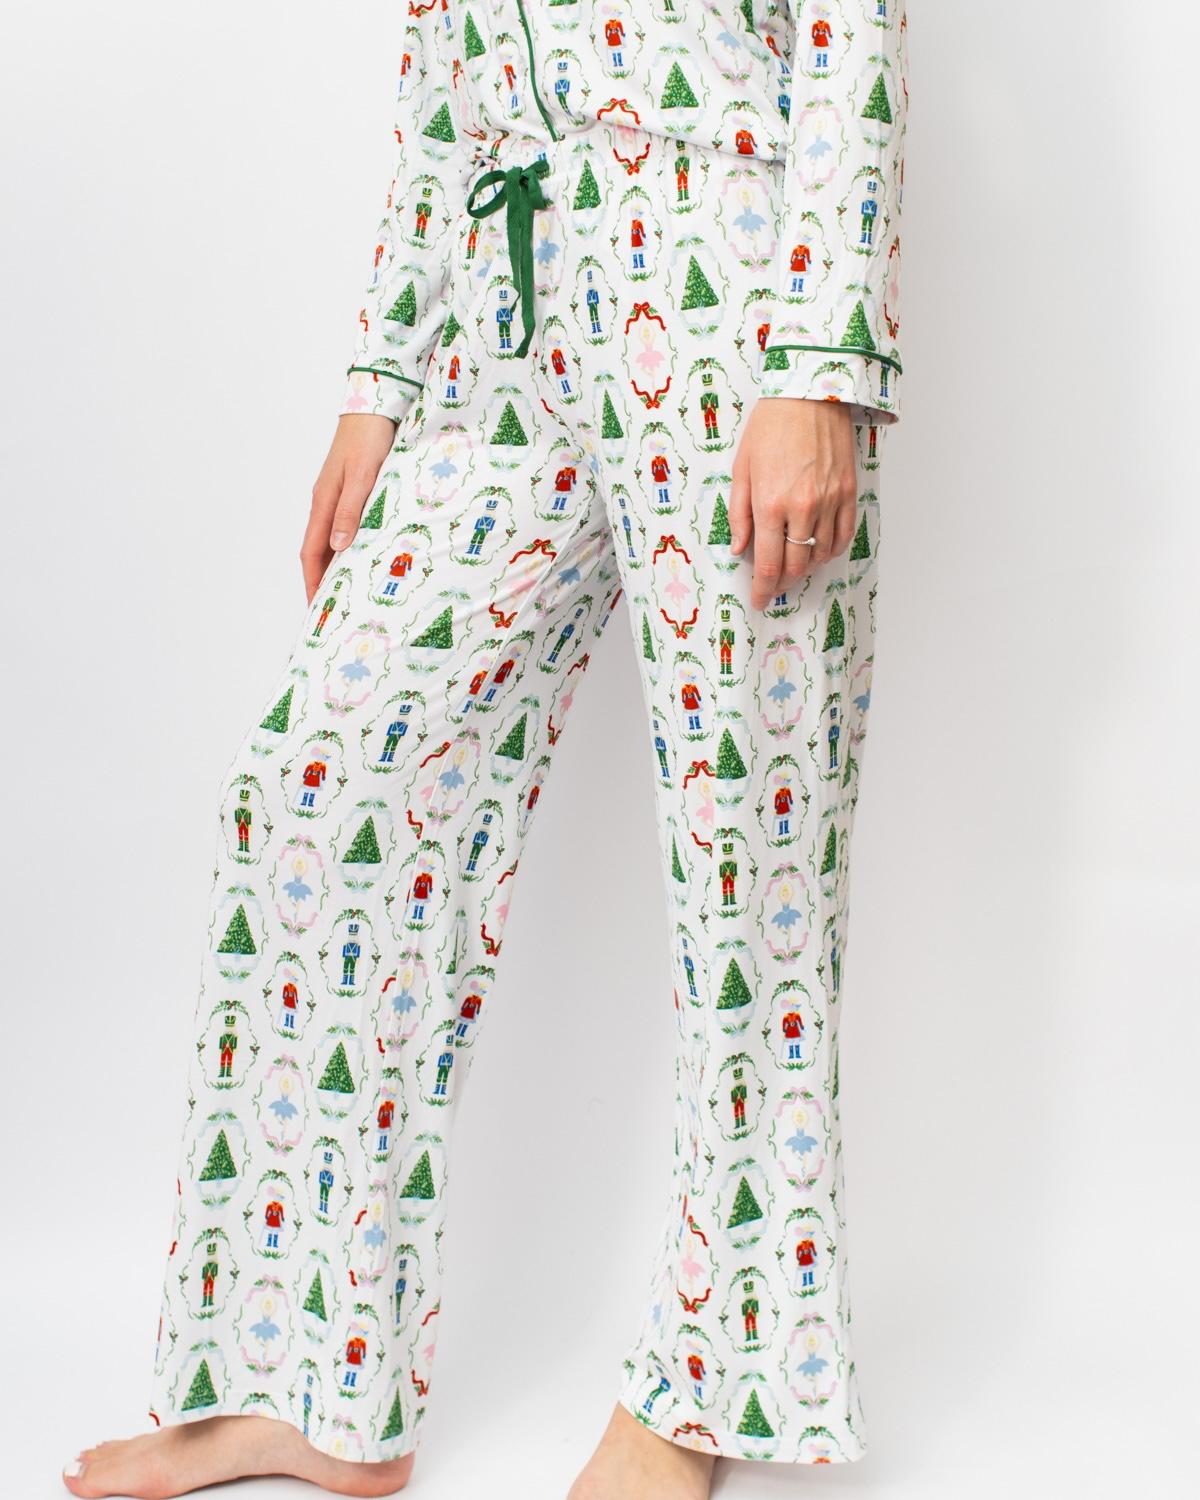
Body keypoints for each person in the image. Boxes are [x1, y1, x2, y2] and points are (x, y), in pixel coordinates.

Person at [64, 2, 908, 1497]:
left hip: (724, 278)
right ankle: (312, 1376)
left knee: (747, 868)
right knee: (321, 784)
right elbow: (440, 82)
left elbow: (852, 33)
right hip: (500, 315)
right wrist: (381, 383)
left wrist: (820, 361)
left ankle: (702, 1398)